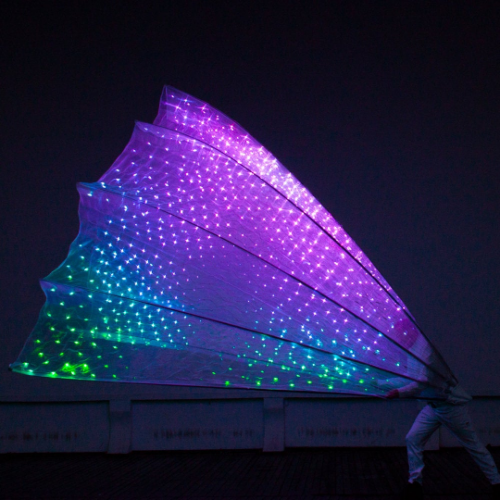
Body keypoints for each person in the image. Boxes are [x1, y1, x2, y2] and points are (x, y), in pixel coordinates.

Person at [385, 323, 500, 499]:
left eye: (398, 333)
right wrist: (382, 385)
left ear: (406, 332)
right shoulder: (412, 352)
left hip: (451, 407)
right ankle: (415, 484)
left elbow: (421, 383)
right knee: (413, 438)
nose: (397, 337)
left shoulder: (427, 352)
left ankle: (497, 483)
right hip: (433, 406)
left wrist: (398, 393)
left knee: (473, 446)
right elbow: (407, 378)